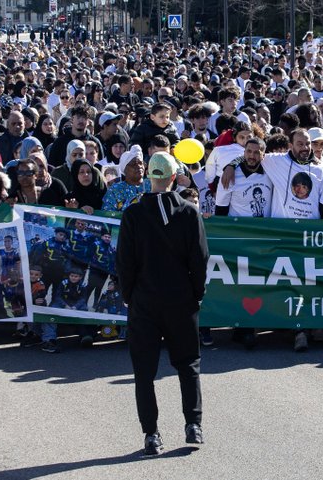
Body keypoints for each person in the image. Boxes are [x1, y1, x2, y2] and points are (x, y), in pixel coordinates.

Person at [115, 152, 208, 456]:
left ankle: (151, 434)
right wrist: (195, 294)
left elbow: (124, 264)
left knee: (144, 371)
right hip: (180, 299)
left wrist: (131, 297)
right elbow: (200, 260)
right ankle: (193, 425)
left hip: (145, 301)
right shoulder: (189, 212)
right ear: (173, 178)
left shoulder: (133, 214)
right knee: (188, 365)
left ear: (148, 178)